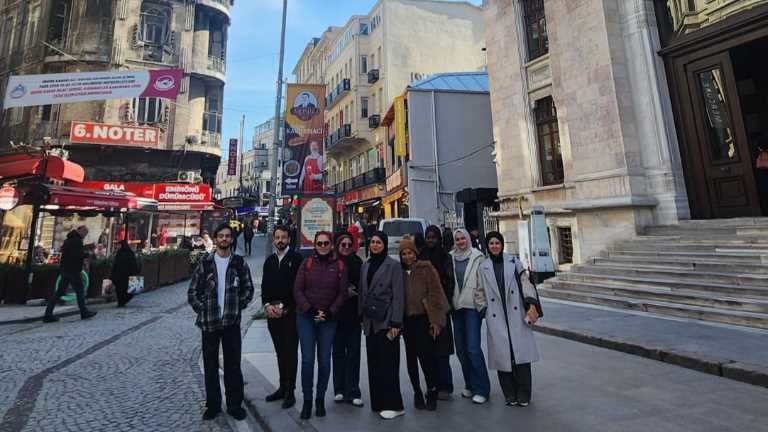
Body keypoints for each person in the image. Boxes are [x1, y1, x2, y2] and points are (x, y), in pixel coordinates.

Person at [187, 223, 254, 421]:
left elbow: (248, 288)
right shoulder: (205, 263)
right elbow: (192, 291)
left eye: (228, 236)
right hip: (210, 323)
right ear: (215, 239)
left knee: (233, 364)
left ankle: (234, 405)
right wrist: (203, 309)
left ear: (232, 239)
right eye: (221, 236)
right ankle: (213, 404)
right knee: (210, 364)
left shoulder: (239, 263)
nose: (224, 239)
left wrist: (237, 306)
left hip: (231, 323)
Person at [475, 232, 542, 407]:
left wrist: (530, 303)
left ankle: (524, 394)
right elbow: (479, 291)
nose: (495, 246)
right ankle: (509, 393)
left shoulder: (514, 262)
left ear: (502, 244)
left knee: (520, 356)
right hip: (496, 316)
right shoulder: (483, 266)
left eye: (497, 243)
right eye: (491, 243)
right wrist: (483, 309)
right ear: (487, 246)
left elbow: (526, 283)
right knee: (502, 357)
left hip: (516, 313)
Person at [293, 231, 348, 420]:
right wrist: (309, 310)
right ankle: (307, 400)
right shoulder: (306, 263)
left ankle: (320, 398)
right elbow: (297, 290)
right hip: (306, 317)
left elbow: (342, 294)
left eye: (326, 243)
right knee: (308, 360)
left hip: (328, 319)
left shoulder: (339, 265)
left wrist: (330, 312)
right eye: (320, 243)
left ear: (331, 245)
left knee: (324, 360)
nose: (323, 246)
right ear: (315, 245)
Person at [359, 231, 405, 420]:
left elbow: (399, 295)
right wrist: (361, 317)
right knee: (374, 364)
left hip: (387, 321)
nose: (375, 245)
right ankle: (378, 402)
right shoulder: (366, 265)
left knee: (389, 364)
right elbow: (363, 292)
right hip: (370, 321)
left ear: (385, 245)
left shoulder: (393, 266)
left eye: (379, 242)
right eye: (373, 242)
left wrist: (396, 321)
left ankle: (395, 404)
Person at [399, 237, 449, 411]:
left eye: (410, 253)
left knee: (427, 357)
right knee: (411, 359)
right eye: (404, 254)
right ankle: (417, 392)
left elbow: (436, 294)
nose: (407, 257)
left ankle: (432, 389)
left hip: (423, 319)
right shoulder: (398, 272)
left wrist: (436, 321)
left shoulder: (426, 268)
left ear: (415, 253)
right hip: (406, 321)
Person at [261, 226, 305, 409]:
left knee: (290, 352)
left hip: (290, 314)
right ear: (273, 240)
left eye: (283, 237)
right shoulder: (269, 261)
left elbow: (299, 287)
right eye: (277, 237)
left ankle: (290, 391)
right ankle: (282, 387)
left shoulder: (296, 259)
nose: (280, 240)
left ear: (289, 239)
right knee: (280, 352)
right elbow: (265, 286)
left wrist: (287, 308)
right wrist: (267, 306)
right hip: (273, 313)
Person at [450, 228, 491, 404]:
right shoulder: (450, 257)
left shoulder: (478, 256)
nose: (460, 242)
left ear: (468, 239)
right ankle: (470, 384)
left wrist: (482, 304)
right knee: (460, 349)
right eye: (457, 239)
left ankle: (482, 388)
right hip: (456, 307)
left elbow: (483, 282)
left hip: (472, 307)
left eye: (463, 238)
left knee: (473, 348)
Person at [419, 225, 456, 400]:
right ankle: (432, 385)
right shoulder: (421, 256)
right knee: (428, 350)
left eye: (434, 237)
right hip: (424, 310)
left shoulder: (445, 257)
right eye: (428, 237)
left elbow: (449, 282)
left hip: (441, 308)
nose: (431, 240)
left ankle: (445, 386)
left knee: (442, 351)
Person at [332, 233, 364, 407]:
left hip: (353, 316)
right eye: (342, 244)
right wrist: (344, 291)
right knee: (337, 354)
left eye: (348, 244)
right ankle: (339, 389)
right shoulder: (331, 262)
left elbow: (363, 287)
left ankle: (353, 390)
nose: (345, 247)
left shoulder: (358, 263)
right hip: (336, 316)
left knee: (353, 354)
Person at [43, 226, 97, 322]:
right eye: (85, 232)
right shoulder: (77, 241)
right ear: (80, 230)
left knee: (59, 292)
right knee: (80, 291)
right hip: (73, 270)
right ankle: (84, 312)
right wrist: (87, 254)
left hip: (65, 269)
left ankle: (48, 313)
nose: (85, 235)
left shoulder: (69, 239)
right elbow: (77, 254)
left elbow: (68, 252)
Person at [111, 240, 139, 307]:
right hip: (124, 275)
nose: (117, 246)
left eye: (119, 245)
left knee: (121, 289)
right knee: (123, 290)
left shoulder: (123, 253)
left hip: (123, 275)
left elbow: (116, 265)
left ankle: (121, 302)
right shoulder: (127, 253)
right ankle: (122, 301)